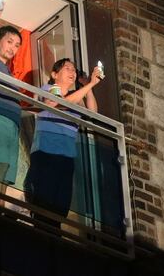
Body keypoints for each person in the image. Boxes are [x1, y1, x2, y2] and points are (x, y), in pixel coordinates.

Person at [24, 58, 102, 226]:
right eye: (67, 68)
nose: (72, 72)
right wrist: (90, 85)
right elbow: (58, 104)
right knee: (44, 202)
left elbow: (93, 113)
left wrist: (87, 85)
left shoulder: (77, 98)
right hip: (46, 152)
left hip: (66, 156)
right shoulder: (50, 88)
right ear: (54, 74)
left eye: (74, 69)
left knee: (60, 206)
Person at [0, 0, 23, 192]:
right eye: (9, 41)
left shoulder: (9, 72)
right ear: (0, 40)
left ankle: (0, 209)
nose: (12, 48)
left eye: (16, 45)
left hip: (13, 127)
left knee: (6, 174)